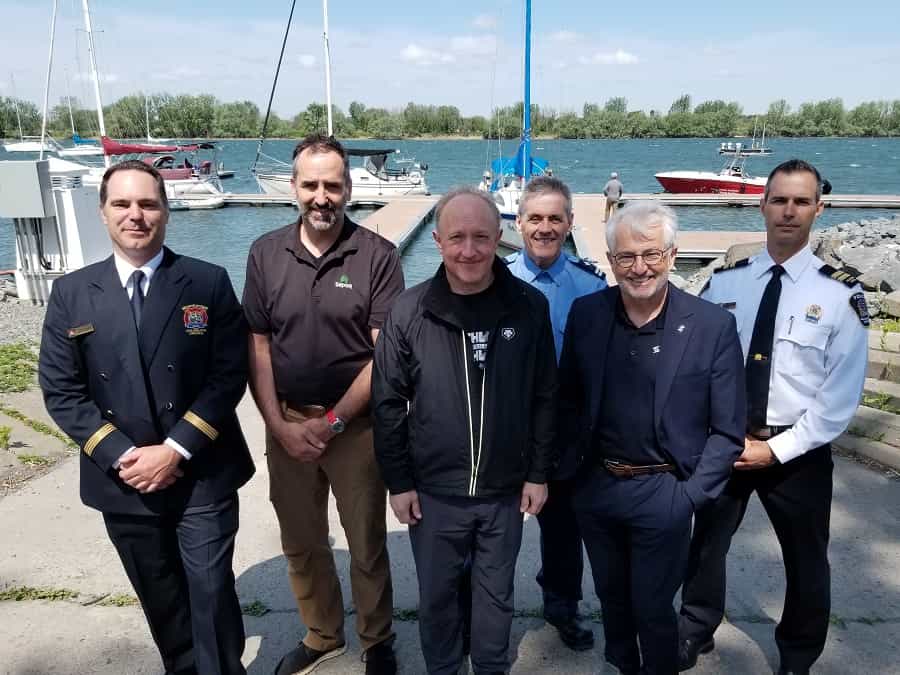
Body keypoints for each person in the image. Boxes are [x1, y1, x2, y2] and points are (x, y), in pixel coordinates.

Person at [38, 160, 254, 675]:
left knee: (210, 595)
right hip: (125, 480)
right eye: (122, 204)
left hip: (201, 473)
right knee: (162, 601)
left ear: (166, 211)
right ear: (103, 213)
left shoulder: (206, 281)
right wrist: (125, 456)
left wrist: (174, 449)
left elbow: (228, 376)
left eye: (148, 204)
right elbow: (62, 391)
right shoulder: (71, 294)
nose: (136, 215)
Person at [678, 160, 869, 675]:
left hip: (798, 449)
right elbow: (698, 366)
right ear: (762, 204)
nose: (789, 211)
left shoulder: (838, 294)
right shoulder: (725, 284)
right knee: (705, 547)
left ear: (818, 209)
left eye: (801, 201)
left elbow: (839, 394)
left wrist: (775, 449)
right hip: (726, 440)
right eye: (780, 199)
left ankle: (798, 655)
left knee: (806, 561)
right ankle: (695, 630)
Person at [372, 187, 557, 675]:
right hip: (434, 490)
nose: (469, 250)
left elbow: (544, 396)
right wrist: (399, 482)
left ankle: (492, 665)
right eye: (457, 237)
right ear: (437, 240)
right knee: (436, 599)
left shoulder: (529, 306)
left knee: (496, 597)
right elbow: (387, 403)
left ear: (501, 238)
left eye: (481, 237)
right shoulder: (409, 311)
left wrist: (538, 473)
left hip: (503, 489)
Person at [558, 202, 745, 675]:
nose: (639, 267)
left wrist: (689, 498)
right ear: (610, 260)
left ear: (672, 255)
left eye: (651, 254)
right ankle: (621, 665)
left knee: (654, 609)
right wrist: (573, 479)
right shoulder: (588, 314)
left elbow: (727, 429)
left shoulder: (711, 325)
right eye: (626, 257)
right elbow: (568, 401)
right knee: (613, 603)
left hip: (665, 491)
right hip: (598, 488)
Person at [243, 134, 403, 675]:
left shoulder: (378, 256)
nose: (321, 196)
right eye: (310, 184)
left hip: (355, 429)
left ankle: (377, 639)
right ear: (293, 188)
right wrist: (277, 423)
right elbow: (258, 345)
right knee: (302, 540)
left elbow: (384, 357)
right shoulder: (265, 253)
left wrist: (333, 422)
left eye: (332, 185)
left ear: (348, 187)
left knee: (365, 542)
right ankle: (322, 634)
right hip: (285, 422)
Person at [505, 176, 606, 650]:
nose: (544, 228)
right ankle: (480, 608)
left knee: (565, 530)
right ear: (519, 222)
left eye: (555, 218)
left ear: (568, 224)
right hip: (504, 422)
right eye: (535, 218)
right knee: (490, 527)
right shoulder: (495, 279)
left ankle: (562, 604)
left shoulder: (591, 287)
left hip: (564, 429)